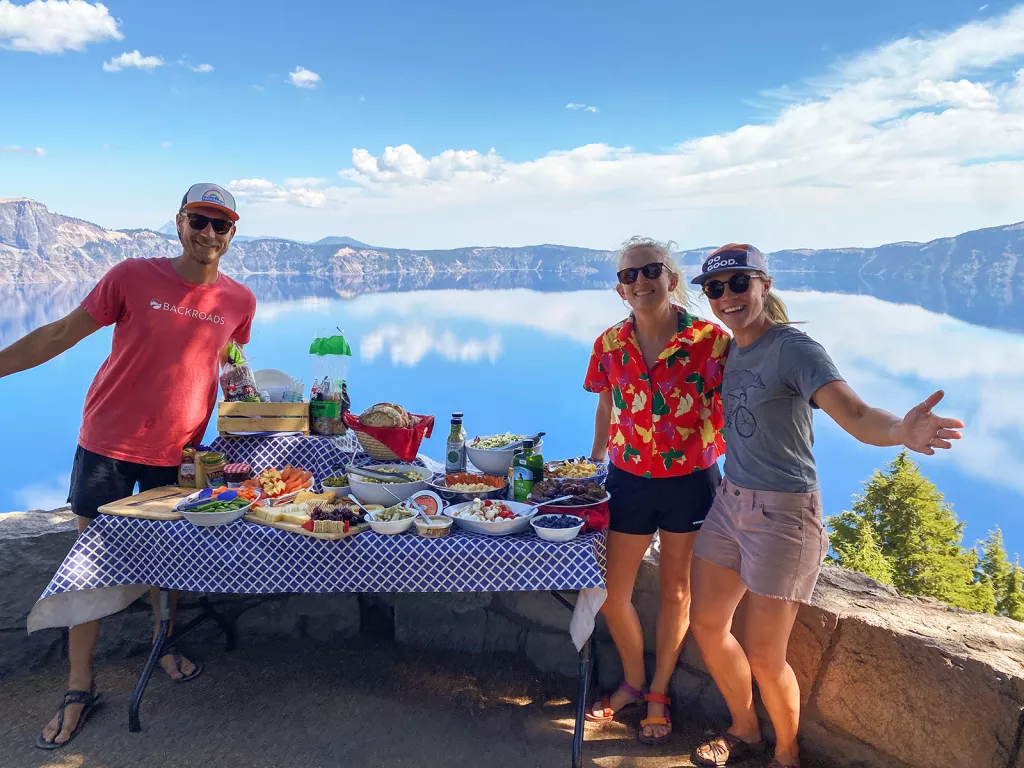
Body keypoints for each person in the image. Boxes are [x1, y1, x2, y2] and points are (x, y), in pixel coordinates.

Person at [686, 244, 964, 768]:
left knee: (767, 656)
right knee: (705, 624)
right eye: (715, 289)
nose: (727, 297)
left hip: (783, 516)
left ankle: (787, 754)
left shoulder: (794, 349)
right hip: (729, 504)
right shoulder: (732, 350)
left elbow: (856, 413)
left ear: (764, 285)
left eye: (739, 283)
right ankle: (745, 731)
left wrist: (903, 431)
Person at [0, 183, 256, 750]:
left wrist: (264, 415)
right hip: (107, 447)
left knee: (167, 561)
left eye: (220, 224)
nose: (208, 233)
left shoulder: (239, 302)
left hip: (181, 455)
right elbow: (61, 333)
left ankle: (163, 645)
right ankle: (78, 685)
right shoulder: (131, 276)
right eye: (198, 220)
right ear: (179, 222)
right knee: (88, 567)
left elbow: (233, 370)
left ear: (232, 234)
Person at [583, 236, 730, 744]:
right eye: (630, 275)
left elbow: (741, 403)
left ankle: (659, 694)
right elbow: (606, 405)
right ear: (620, 290)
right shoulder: (609, 344)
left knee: (677, 591)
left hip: (692, 483)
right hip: (627, 481)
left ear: (671, 279)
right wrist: (594, 463)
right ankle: (633, 681)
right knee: (611, 593)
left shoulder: (712, 341)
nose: (641, 281)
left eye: (651, 271)